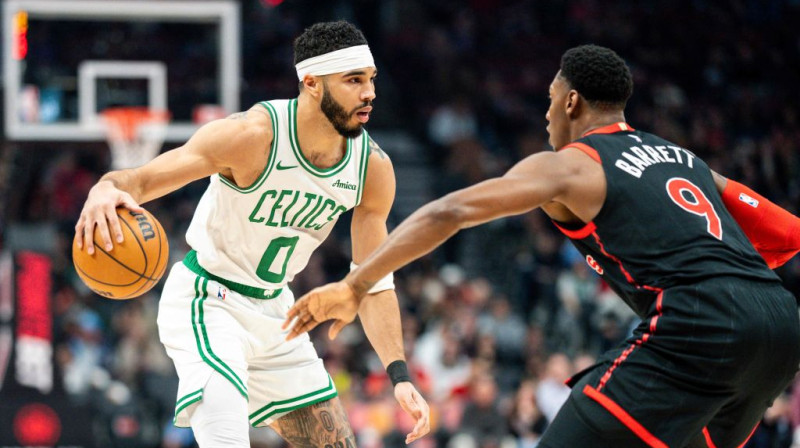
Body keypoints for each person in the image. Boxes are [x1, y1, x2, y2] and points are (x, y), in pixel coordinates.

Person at [284, 44, 800, 447]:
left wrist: (356, 284)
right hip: (779, 326)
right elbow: (788, 235)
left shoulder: (571, 163)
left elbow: (450, 211)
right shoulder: (686, 159)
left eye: (550, 100)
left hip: (701, 322)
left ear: (571, 100)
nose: (546, 116)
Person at [74, 20, 430, 448]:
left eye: (371, 79)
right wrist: (104, 188)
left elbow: (373, 282)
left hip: (278, 313)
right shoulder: (252, 136)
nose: (369, 92)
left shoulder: (371, 168)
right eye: (353, 80)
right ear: (312, 82)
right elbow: (144, 180)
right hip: (208, 301)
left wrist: (399, 375)